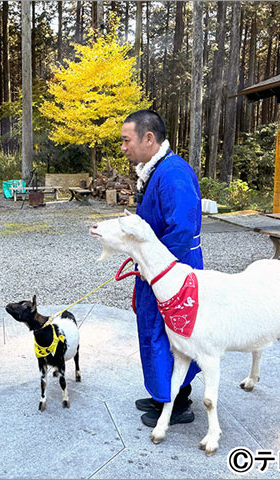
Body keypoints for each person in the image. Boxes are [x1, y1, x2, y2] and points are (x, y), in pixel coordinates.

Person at [120, 110, 203, 428]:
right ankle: (162, 393)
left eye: (127, 140)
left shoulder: (172, 174)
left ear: (148, 138)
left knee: (170, 334)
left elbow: (180, 230)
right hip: (157, 269)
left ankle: (178, 401)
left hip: (172, 272)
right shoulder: (158, 170)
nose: (124, 147)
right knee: (154, 329)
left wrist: (154, 265)